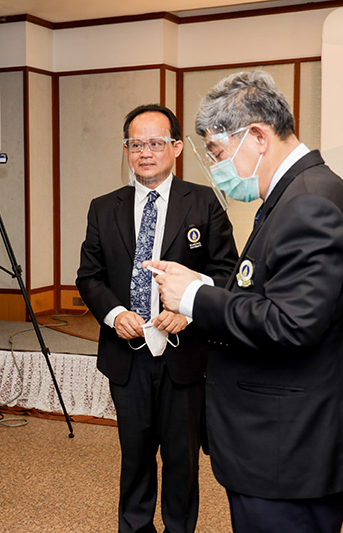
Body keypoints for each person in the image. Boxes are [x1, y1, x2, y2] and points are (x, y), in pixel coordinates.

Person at [147, 70, 343, 532]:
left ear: (257, 136)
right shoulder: (295, 195)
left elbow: (291, 324)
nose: (216, 167)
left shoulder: (309, 203)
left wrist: (194, 298)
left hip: (290, 448)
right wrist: (204, 285)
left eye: (217, 152)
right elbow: (272, 292)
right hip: (281, 444)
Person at [76, 104, 238, 532]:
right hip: (126, 355)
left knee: (182, 459)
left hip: (185, 354)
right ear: (126, 149)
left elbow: (229, 272)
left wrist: (192, 309)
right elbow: (89, 276)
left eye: (155, 143)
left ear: (177, 147)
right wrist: (114, 315)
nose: (145, 152)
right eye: (136, 144)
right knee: (135, 455)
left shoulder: (204, 202)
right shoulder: (103, 207)